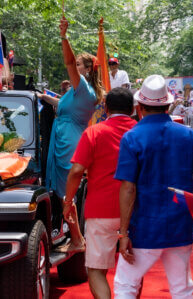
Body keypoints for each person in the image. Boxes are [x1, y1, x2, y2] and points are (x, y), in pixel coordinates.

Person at [113, 74, 193, 299]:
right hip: (180, 225)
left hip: (144, 228)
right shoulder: (189, 136)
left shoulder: (132, 137)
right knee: (182, 289)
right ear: (168, 105)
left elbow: (128, 189)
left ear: (139, 106)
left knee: (125, 285)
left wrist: (123, 233)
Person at [63, 88, 136, 298]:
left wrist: (68, 201)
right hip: (136, 210)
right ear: (132, 109)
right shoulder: (139, 132)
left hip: (100, 209)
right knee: (134, 273)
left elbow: (76, 170)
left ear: (105, 107)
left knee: (96, 270)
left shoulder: (94, 131)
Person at [39, 17, 103, 248]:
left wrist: (64, 37)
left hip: (69, 142)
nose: (73, 68)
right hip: (63, 138)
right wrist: (41, 97)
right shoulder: (78, 93)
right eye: (75, 65)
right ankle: (74, 235)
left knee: (67, 194)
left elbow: (66, 61)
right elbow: (60, 105)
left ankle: (77, 238)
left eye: (78, 65)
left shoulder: (83, 88)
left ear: (87, 70)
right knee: (62, 193)